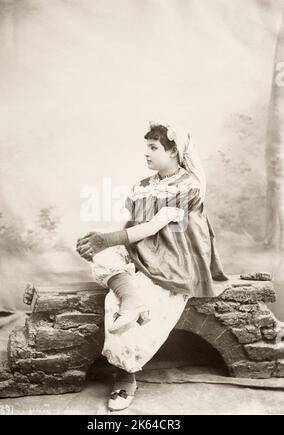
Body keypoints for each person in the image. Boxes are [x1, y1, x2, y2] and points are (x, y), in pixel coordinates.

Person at [76, 122, 228, 411]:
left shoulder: (188, 186)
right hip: (143, 248)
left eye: (153, 148)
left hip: (175, 256)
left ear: (173, 152)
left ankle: (125, 376)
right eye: (146, 146)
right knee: (103, 258)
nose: (146, 153)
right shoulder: (143, 187)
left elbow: (153, 226)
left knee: (116, 300)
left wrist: (106, 239)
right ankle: (131, 299)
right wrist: (101, 242)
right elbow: (131, 226)